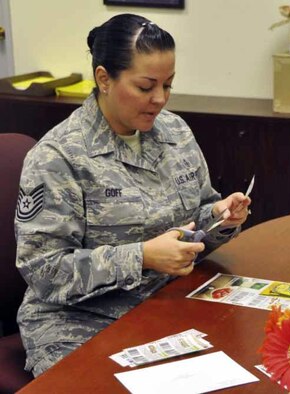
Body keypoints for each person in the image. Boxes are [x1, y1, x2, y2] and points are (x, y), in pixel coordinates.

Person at [15, 13, 251, 377]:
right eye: (146, 87)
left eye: (168, 85)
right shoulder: (58, 157)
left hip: (164, 303)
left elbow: (194, 221)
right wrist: (141, 258)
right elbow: (45, 271)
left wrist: (220, 218)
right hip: (79, 322)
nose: (159, 99)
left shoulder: (175, 132)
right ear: (104, 78)